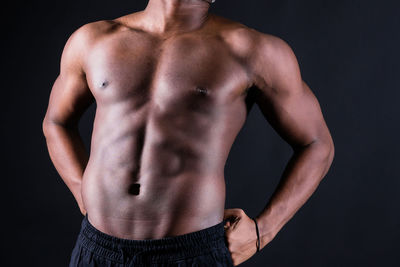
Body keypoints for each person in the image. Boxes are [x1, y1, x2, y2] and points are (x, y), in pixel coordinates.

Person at [42, 0, 335, 266]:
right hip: (97, 251)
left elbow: (317, 144)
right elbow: (56, 123)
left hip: (190, 255)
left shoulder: (251, 50)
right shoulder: (93, 40)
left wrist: (263, 231)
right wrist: (84, 194)